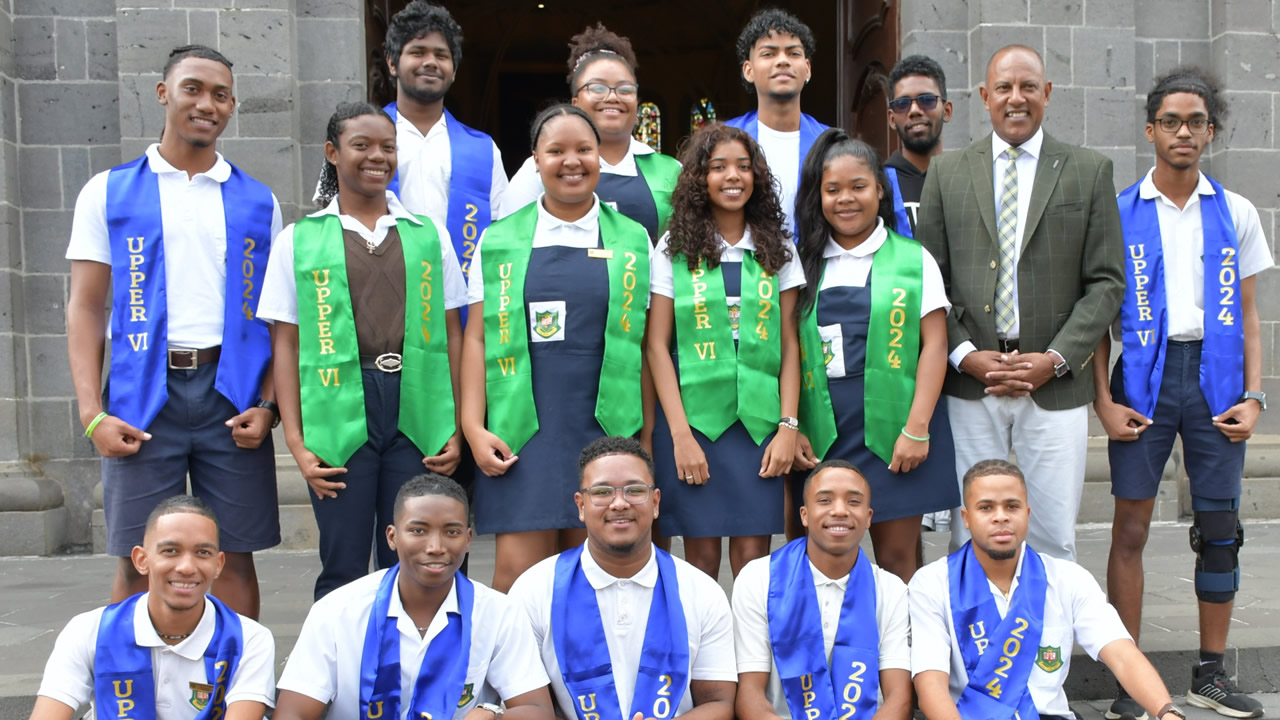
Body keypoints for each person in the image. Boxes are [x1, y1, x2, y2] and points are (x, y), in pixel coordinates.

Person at [64, 44, 283, 619]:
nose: (206, 104)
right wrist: (91, 413)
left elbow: (278, 318)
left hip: (229, 394)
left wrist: (269, 404)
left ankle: (235, 671)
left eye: (220, 95)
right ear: (163, 93)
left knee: (233, 557)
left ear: (232, 106)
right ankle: (134, 673)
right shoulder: (108, 191)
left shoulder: (258, 201)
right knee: (138, 557)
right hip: (142, 391)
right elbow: (85, 307)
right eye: (193, 89)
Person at [1095, 69, 1270, 720]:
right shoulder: (1119, 212)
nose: (1183, 132)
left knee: (1220, 529)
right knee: (1131, 527)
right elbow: (1098, 316)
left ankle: (1211, 676)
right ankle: (1130, 682)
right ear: (1151, 130)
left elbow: (1249, 315)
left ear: (1211, 132)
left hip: (1216, 377)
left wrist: (1254, 395)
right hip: (1143, 373)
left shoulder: (1236, 211)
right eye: (1171, 121)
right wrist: (1102, 401)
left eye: (1196, 121)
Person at [916, 44, 1124, 560]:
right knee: (970, 533)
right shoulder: (947, 173)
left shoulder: (1088, 170)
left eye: (1028, 86)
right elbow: (929, 280)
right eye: (1003, 88)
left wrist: (1056, 359)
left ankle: (1046, 619)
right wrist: (964, 355)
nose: (1016, 98)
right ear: (984, 97)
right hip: (971, 383)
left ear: (1047, 93)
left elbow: (1106, 282)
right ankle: (976, 617)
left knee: (1053, 536)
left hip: (1054, 384)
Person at [258, 102, 468, 599]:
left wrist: (457, 426)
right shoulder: (299, 240)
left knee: (418, 553)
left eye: (388, 147)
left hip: (418, 407)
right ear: (332, 153)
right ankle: (342, 649)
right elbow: (286, 343)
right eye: (362, 145)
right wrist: (296, 442)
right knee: (344, 558)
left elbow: (453, 334)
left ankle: (422, 645)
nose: (378, 156)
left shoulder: (428, 235)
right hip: (338, 408)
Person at [461, 105, 651, 592]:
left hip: (606, 424)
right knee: (516, 576)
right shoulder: (499, 240)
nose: (572, 161)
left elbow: (646, 345)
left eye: (584, 149)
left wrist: (646, 437)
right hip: (524, 430)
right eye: (556, 150)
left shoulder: (633, 240)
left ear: (599, 158)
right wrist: (473, 427)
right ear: (535, 160)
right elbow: (477, 336)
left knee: (595, 575)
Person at [791, 130, 957, 582]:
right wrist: (793, 426)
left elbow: (934, 346)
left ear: (880, 190)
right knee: (817, 560)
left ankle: (900, 633)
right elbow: (785, 349)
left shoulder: (912, 259)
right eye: (832, 189)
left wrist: (917, 428)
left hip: (893, 430)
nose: (846, 199)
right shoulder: (800, 262)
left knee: (898, 559)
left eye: (858, 186)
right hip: (821, 431)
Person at [909, 460, 1185, 720]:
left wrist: (1167, 712)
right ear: (966, 518)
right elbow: (930, 683)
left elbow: (1123, 655)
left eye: (1012, 506)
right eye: (986, 508)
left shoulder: (1068, 578)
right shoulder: (933, 583)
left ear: (1027, 514)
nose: (1000, 517)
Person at [648, 123, 803, 580]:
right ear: (700, 178)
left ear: (757, 176)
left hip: (759, 425)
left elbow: (790, 344)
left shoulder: (777, 247)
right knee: (700, 559)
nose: (732, 176)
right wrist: (680, 435)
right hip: (695, 423)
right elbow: (656, 346)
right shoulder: (674, 248)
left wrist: (788, 427)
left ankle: (750, 635)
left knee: (754, 561)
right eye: (718, 167)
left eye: (743, 166)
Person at [274, 474, 555, 720]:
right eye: (418, 530)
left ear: (468, 539)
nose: (435, 546)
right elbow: (292, 712)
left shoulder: (499, 613)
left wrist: (494, 715)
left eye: (452, 532)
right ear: (392, 537)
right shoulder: (336, 610)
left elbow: (537, 709)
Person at [508, 436, 737, 720]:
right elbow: (527, 707)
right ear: (581, 506)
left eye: (634, 490)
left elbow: (720, 702)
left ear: (655, 502)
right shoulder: (534, 589)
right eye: (602, 492)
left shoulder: (701, 590)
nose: (619, 503)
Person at [29, 496, 276, 720]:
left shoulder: (248, 639)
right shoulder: (88, 631)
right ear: (142, 560)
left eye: (202, 552)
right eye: (171, 551)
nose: (187, 567)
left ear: (218, 564)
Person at [732, 460, 912, 720]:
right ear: (804, 515)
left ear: (868, 517)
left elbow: (899, 698)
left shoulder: (891, 590)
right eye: (825, 500)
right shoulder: (758, 578)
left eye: (853, 502)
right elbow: (750, 694)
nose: (839, 510)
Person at [503, 23, 681, 244]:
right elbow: (509, 244)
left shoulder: (671, 171)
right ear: (575, 102)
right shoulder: (541, 169)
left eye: (625, 89)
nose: (612, 97)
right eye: (598, 88)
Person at [379, 1, 506, 284]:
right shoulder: (361, 141)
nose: (430, 62)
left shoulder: (483, 150)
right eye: (417, 52)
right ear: (392, 63)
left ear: (454, 69)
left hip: (461, 296)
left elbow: (502, 234)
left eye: (441, 55)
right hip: (384, 292)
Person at [724, 8, 829, 236]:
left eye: (793, 53)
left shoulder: (831, 143)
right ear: (748, 70)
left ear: (807, 69)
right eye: (769, 54)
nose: (782, 61)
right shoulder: (723, 140)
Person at [883, 55, 952, 240]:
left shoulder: (966, 180)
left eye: (927, 100)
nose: (914, 111)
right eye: (902, 104)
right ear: (891, 118)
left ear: (947, 111)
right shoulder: (879, 185)